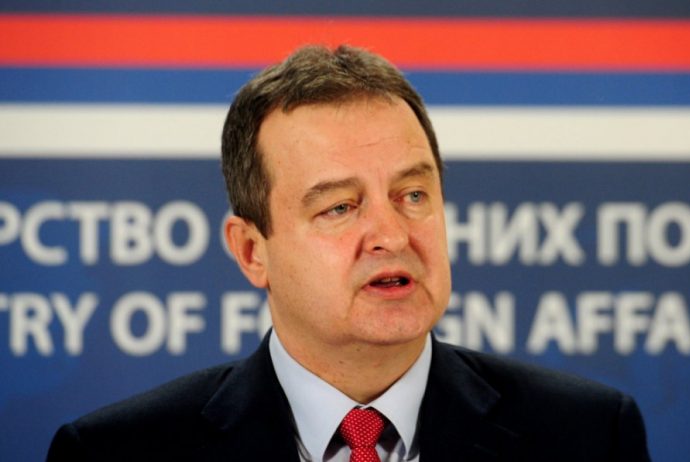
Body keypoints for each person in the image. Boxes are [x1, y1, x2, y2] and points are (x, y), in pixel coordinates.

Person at [47, 45, 651, 461]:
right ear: (252, 251)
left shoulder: (589, 436)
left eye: (413, 195)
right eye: (339, 206)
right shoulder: (115, 452)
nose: (392, 234)